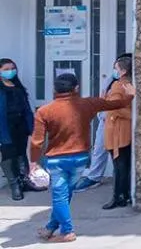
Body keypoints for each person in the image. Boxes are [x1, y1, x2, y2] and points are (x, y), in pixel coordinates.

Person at [28, 72, 130, 244]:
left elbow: (36, 142)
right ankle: (50, 227)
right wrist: (131, 94)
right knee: (65, 193)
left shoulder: (44, 111)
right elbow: (117, 103)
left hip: (57, 160)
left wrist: (33, 162)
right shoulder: (88, 104)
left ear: (55, 89)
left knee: (60, 195)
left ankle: (67, 231)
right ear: (76, 88)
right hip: (81, 158)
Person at [101, 55, 134, 210]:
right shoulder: (130, 85)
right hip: (124, 131)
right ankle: (125, 195)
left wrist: (105, 103)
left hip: (117, 131)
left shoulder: (118, 86)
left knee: (119, 166)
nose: (114, 71)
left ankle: (118, 196)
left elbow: (115, 106)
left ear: (122, 71)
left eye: (116, 69)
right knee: (124, 165)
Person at [0, 59, 35, 201]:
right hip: (4, 127)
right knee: (8, 155)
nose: (11, 71)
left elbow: (26, 108)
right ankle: (14, 185)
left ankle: (24, 181)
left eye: (13, 68)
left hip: (20, 125)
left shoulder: (17, 86)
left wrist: (31, 126)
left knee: (21, 153)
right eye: (6, 69)